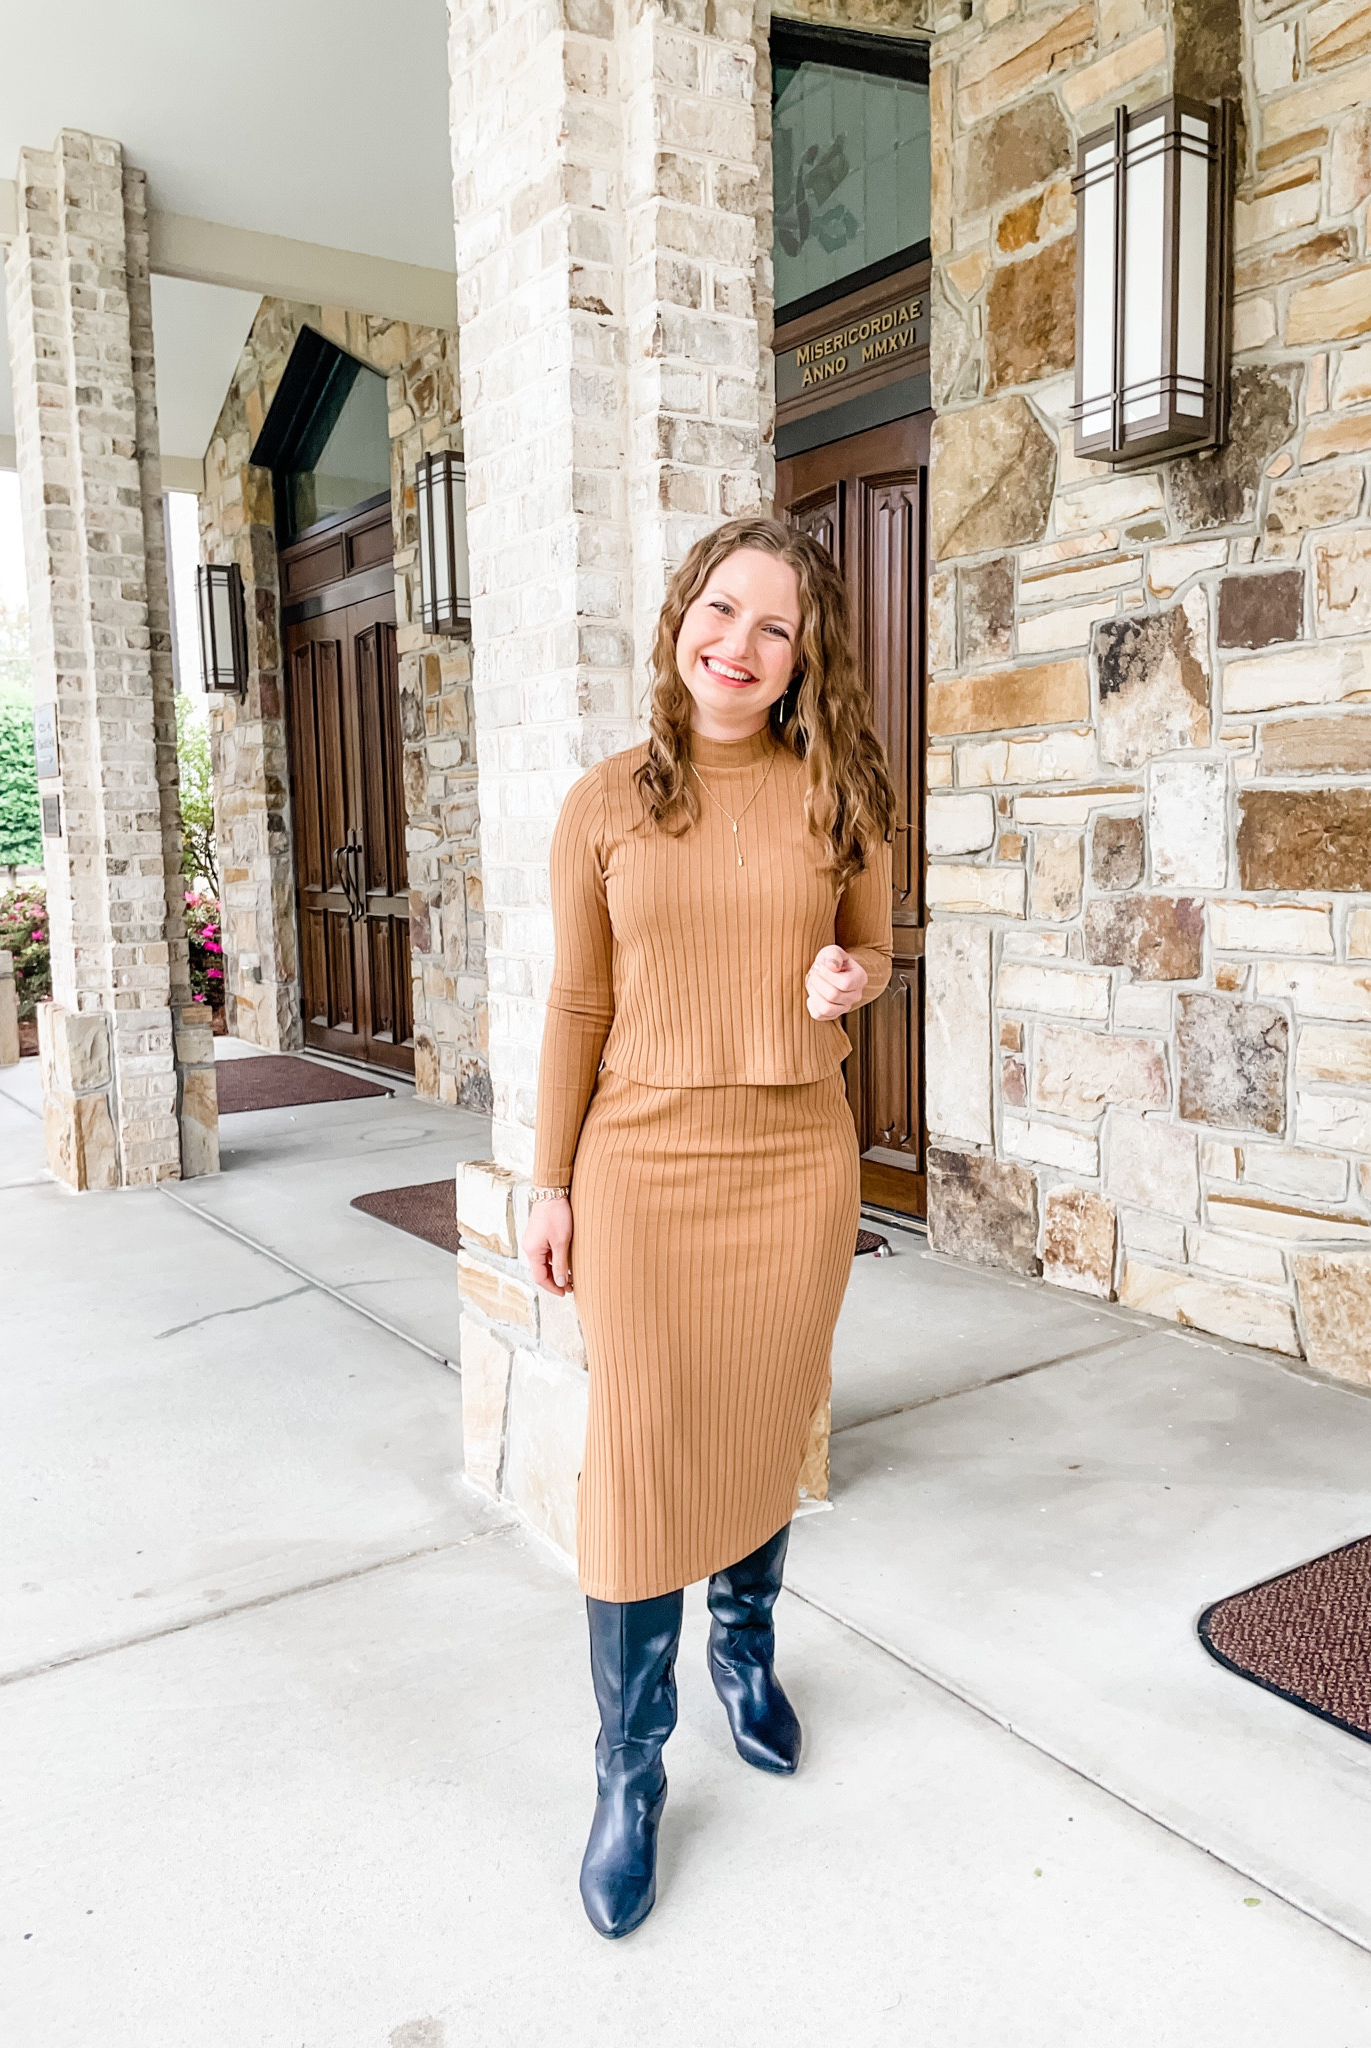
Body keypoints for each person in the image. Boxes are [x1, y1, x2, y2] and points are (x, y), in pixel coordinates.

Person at [521, 515, 896, 1939]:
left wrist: (853, 980)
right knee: (638, 1453)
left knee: (762, 1414)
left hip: (794, 1162)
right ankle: (629, 1769)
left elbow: (874, 951)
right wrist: (549, 1181)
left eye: (775, 628)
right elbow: (578, 1003)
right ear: (683, 617)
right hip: (643, 1168)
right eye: (720, 611)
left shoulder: (840, 792)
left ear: (805, 659)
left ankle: (745, 1653)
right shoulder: (604, 804)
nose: (739, 645)